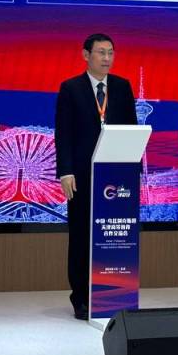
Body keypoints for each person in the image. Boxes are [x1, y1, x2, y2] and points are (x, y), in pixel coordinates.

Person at [54, 33, 138, 320]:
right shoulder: (71, 88)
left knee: (115, 235)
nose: (106, 58)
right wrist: (65, 171)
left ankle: (114, 291)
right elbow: (63, 133)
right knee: (81, 236)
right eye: (101, 52)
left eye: (110, 52)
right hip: (81, 175)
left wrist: (133, 172)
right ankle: (80, 297)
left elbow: (132, 130)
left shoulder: (122, 87)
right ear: (85, 55)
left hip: (116, 177)